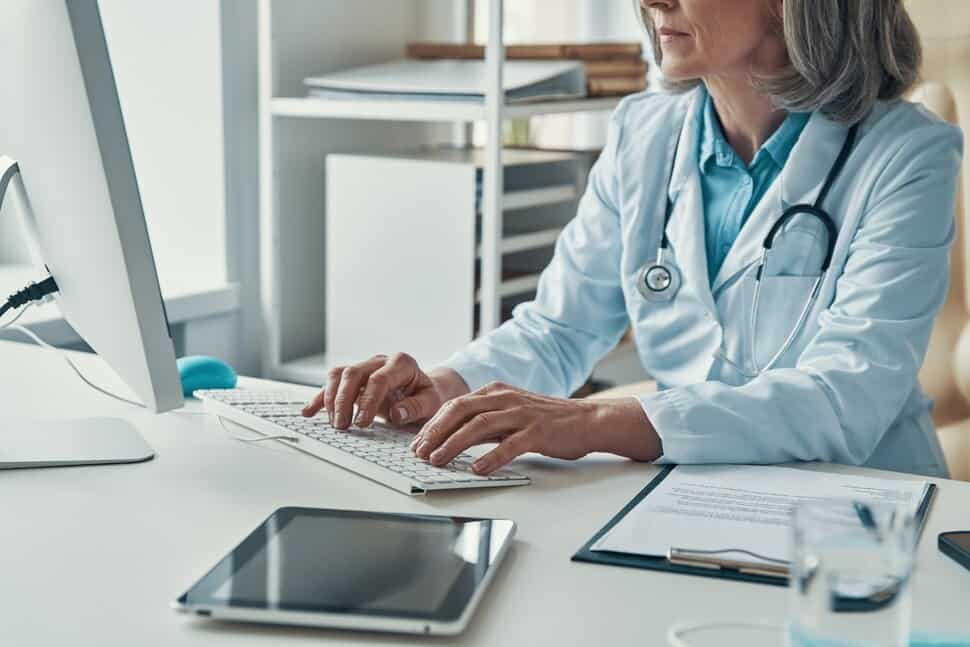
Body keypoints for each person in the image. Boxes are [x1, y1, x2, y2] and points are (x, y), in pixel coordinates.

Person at [303, 0, 963, 478]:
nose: (650, 3)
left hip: (869, 509)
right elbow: (558, 331)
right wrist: (445, 387)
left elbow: (846, 398)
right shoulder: (643, 135)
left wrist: (594, 423)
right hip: (694, 496)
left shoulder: (907, 153)